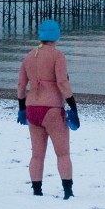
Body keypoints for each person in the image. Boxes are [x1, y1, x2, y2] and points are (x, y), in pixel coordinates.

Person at [17, 19, 79, 199]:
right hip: (52, 108)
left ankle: (37, 191)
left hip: (32, 109)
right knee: (63, 153)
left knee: (37, 155)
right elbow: (62, 82)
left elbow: (21, 85)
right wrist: (73, 106)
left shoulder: (29, 56)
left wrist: (22, 108)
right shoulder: (58, 56)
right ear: (56, 35)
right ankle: (68, 191)